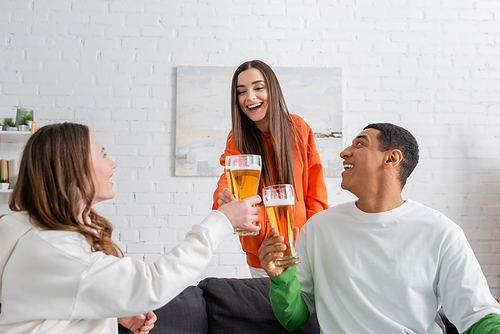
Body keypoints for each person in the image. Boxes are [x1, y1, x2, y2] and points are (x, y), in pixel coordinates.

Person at [0, 123, 261, 334]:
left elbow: (54, 302)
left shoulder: (29, 232)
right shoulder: (56, 249)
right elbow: (152, 284)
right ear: (75, 170)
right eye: (103, 154)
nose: (112, 164)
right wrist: (222, 221)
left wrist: (106, 308)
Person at [259, 123, 500, 333]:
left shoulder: (441, 232)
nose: (344, 152)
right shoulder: (318, 228)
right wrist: (281, 280)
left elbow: (477, 315)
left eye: (360, 144)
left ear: (391, 159)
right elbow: (293, 318)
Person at [212, 60, 329, 278]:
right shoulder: (236, 138)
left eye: (258, 88)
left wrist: (316, 242)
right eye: (241, 92)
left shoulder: (298, 129)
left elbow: (316, 191)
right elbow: (227, 177)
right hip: (261, 253)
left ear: (272, 89)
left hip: (300, 249)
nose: (250, 97)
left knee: (303, 310)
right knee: (270, 310)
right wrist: (223, 195)